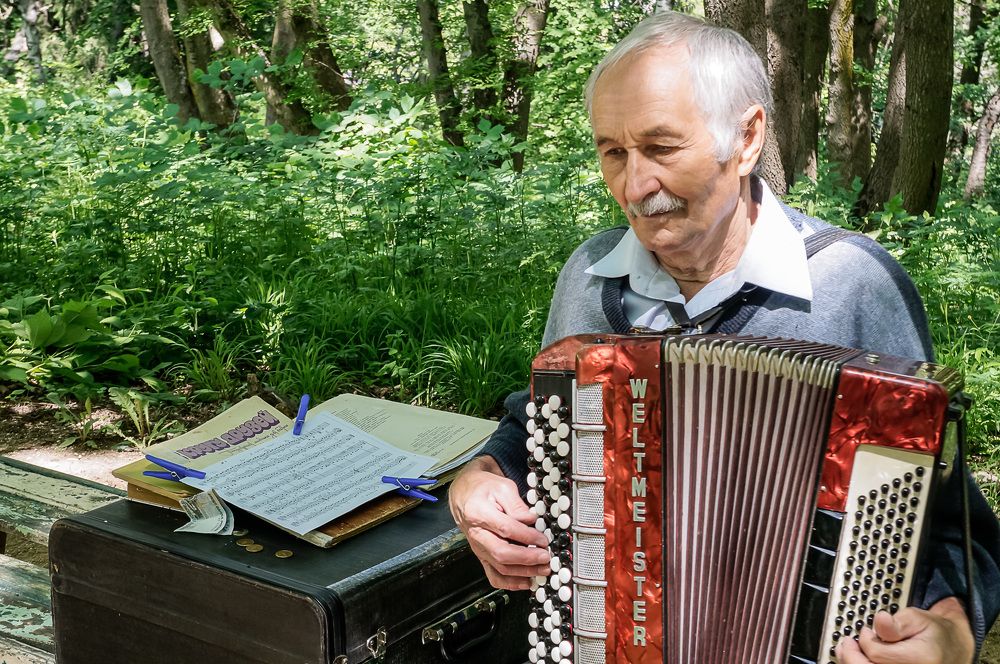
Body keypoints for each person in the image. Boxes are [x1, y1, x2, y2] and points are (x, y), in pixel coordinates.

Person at [448, 11, 1000, 664]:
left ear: (746, 139)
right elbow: (537, 426)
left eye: (661, 147)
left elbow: (956, 533)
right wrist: (479, 477)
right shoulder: (590, 278)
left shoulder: (854, 288)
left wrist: (952, 629)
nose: (634, 185)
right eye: (613, 152)